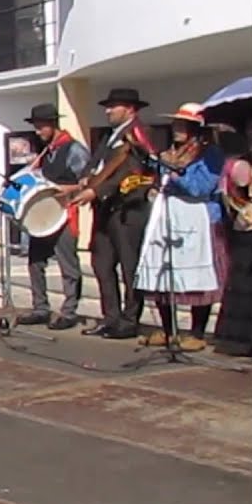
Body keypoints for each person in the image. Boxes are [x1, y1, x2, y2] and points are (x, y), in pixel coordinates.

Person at [134, 103, 227, 352]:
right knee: (164, 273)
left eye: (182, 125)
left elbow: (200, 188)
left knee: (199, 276)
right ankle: (168, 330)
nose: (176, 129)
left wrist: (174, 173)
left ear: (195, 129)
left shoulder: (211, 154)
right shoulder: (168, 153)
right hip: (170, 218)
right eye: (175, 124)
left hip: (199, 220)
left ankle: (197, 332)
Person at [71, 87, 157, 339]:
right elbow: (96, 163)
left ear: (130, 109)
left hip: (127, 210)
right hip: (105, 210)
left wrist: (97, 192)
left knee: (129, 267)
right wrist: (86, 178)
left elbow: (131, 171)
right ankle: (111, 318)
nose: (108, 111)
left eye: (113, 106)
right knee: (102, 264)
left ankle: (130, 321)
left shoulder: (140, 134)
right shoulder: (110, 136)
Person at [15, 103, 89, 331]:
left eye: (40, 127)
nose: (38, 132)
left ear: (52, 125)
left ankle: (69, 311)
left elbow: (87, 180)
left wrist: (69, 189)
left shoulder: (74, 149)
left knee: (68, 265)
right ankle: (40, 308)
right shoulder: (48, 151)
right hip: (45, 216)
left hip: (65, 213)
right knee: (35, 262)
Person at [214, 113, 252, 357]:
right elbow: (235, 196)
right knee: (243, 283)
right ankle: (241, 339)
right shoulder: (242, 164)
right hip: (247, 227)